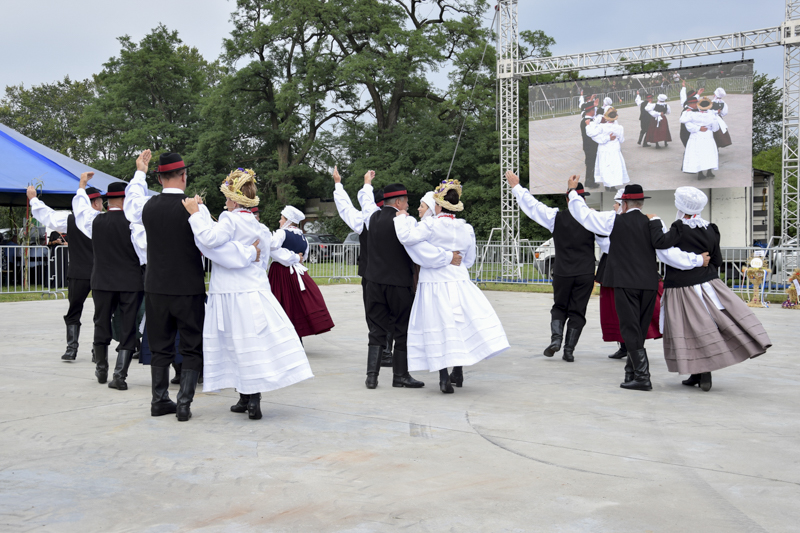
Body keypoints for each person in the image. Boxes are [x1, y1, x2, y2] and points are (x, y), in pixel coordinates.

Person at [125, 152, 258, 419]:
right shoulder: (198, 209)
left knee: (160, 346)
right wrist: (249, 254)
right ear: (184, 176)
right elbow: (211, 244)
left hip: (155, 286)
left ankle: (159, 400)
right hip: (188, 286)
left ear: (160, 178)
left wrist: (140, 172)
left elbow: (131, 203)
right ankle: (184, 403)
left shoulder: (146, 207)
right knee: (191, 345)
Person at [183, 169, 313, 418]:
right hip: (253, 291)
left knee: (234, 342)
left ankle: (248, 398)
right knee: (250, 343)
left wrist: (195, 214)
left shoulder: (228, 219)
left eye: (227, 197)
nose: (224, 202)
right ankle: (251, 399)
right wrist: (243, 252)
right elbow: (257, 259)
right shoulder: (260, 226)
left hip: (230, 292)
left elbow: (210, 239)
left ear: (233, 199)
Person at [567, 180, 706, 391]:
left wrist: (572, 193)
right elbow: (667, 253)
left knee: (630, 329)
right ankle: (631, 372)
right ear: (641, 203)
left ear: (623, 203)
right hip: (649, 283)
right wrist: (696, 260)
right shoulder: (654, 222)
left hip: (624, 282)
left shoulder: (613, 220)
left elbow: (583, 214)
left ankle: (642, 376)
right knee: (638, 329)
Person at [393, 179, 510, 393]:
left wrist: (402, 218)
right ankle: (458, 370)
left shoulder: (431, 224)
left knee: (439, 326)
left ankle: (443, 377)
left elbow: (406, 237)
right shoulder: (466, 228)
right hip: (458, 280)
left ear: (437, 206)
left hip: (434, 283)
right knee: (459, 325)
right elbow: (470, 259)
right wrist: (455, 263)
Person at [658, 187, 771, 391]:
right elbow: (716, 259)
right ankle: (698, 372)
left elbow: (660, 244)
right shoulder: (711, 228)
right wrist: (705, 271)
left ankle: (702, 371)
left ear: (681, 205)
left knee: (688, 327)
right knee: (711, 323)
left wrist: (654, 225)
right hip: (708, 283)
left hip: (682, 286)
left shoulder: (678, 227)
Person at [508, 170, 597, 362]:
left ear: (567, 199)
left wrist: (516, 187)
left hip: (563, 271)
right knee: (578, 310)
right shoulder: (592, 218)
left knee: (559, 307)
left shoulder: (555, 217)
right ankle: (569, 350)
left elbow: (533, 207)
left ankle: (556, 340)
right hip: (585, 272)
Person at [73, 176, 144, 389]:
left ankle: (101, 367)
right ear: (125, 200)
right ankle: (120, 375)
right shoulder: (134, 224)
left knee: (101, 321)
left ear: (108, 201)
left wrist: (81, 188)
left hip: (102, 280)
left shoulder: (95, 220)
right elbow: (144, 252)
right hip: (130, 281)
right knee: (128, 326)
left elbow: (80, 210)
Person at [28, 182, 103, 362]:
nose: (102, 204)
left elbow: (48, 216)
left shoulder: (70, 220)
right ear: (93, 203)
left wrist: (33, 200)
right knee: (101, 312)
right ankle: (96, 350)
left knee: (76, 311)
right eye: (100, 201)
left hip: (80, 272)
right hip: (99, 272)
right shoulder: (103, 220)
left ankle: (72, 348)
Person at [332, 168, 394, 367]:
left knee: (374, 314)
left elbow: (345, 208)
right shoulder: (399, 220)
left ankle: (380, 352)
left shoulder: (362, 221)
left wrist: (338, 184)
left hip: (370, 273)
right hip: (394, 274)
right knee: (393, 313)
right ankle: (388, 350)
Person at [596, 190, 664, 361]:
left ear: (624, 205)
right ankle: (632, 363)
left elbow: (607, 245)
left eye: (617, 203)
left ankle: (638, 368)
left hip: (624, 276)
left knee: (628, 318)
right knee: (628, 317)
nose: (614, 206)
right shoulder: (652, 221)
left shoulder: (617, 222)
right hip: (638, 276)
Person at [267, 206, 335, 338]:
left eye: (282, 219)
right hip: (297, 273)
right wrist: (296, 258)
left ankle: (283, 334)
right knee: (295, 303)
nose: (280, 222)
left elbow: (271, 247)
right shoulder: (303, 237)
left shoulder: (282, 233)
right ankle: (295, 332)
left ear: (288, 221)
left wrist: (291, 258)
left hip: (281, 273)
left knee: (281, 302)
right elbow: (304, 256)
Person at [588, 107, 629, 190]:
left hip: (604, 149)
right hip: (614, 149)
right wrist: (609, 138)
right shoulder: (619, 128)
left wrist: (589, 125)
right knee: (614, 166)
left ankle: (607, 184)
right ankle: (613, 185)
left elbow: (591, 134)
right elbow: (621, 140)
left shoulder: (601, 127)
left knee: (605, 166)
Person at [682, 97, 720, 180]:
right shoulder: (712, 116)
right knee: (709, 153)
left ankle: (700, 173)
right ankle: (709, 171)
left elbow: (685, 123)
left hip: (696, 136)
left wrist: (698, 128)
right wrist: (705, 127)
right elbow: (715, 128)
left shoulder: (692, 114)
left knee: (698, 154)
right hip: (708, 136)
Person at [579, 103, 600, 189]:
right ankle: (590, 182)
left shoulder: (584, 120)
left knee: (589, 163)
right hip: (591, 146)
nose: (594, 111)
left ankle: (588, 181)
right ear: (591, 111)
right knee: (592, 164)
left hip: (587, 146)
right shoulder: (589, 122)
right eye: (594, 110)